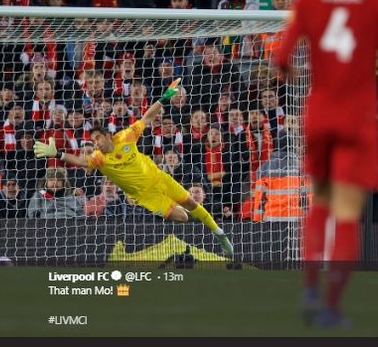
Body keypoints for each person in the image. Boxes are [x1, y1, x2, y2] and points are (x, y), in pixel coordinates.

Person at [273, 0, 378, 327]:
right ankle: (332, 304)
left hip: (319, 114)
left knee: (319, 201)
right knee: (348, 213)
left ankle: (309, 285)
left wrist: (293, 70)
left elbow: (280, 58)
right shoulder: (375, 4)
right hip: (357, 118)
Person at [33, 78, 234, 257]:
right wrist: (58, 154)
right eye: (92, 141)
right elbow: (80, 161)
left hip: (159, 177)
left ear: (107, 136)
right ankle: (192, 219)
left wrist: (166, 97)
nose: (95, 144)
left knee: (191, 203)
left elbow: (147, 117)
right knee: (182, 217)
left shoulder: (126, 136)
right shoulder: (98, 158)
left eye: (96, 138)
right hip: (146, 196)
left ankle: (220, 235)